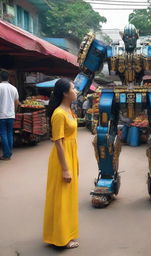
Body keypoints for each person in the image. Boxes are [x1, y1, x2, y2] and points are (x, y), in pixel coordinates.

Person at [43, 78, 80, 249]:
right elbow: (58, 142)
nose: (76, 91)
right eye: (73, 88)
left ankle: (62, 234)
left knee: (68, 198)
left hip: (70, 155)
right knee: (62, 198)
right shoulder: (59, 113)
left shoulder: (68, 110)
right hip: (61, 159)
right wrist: (65, 169)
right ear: (65, 93)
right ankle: (60, 238)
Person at [0, 70, 19, 160]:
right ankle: (9, 153)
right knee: (9, 134)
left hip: (1, 115)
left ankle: (7, 154)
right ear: (8, 78)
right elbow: (16, 102)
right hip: (11, 115)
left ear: (1, 77)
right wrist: (14, 111)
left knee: (3, 134)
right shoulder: (13, 88)